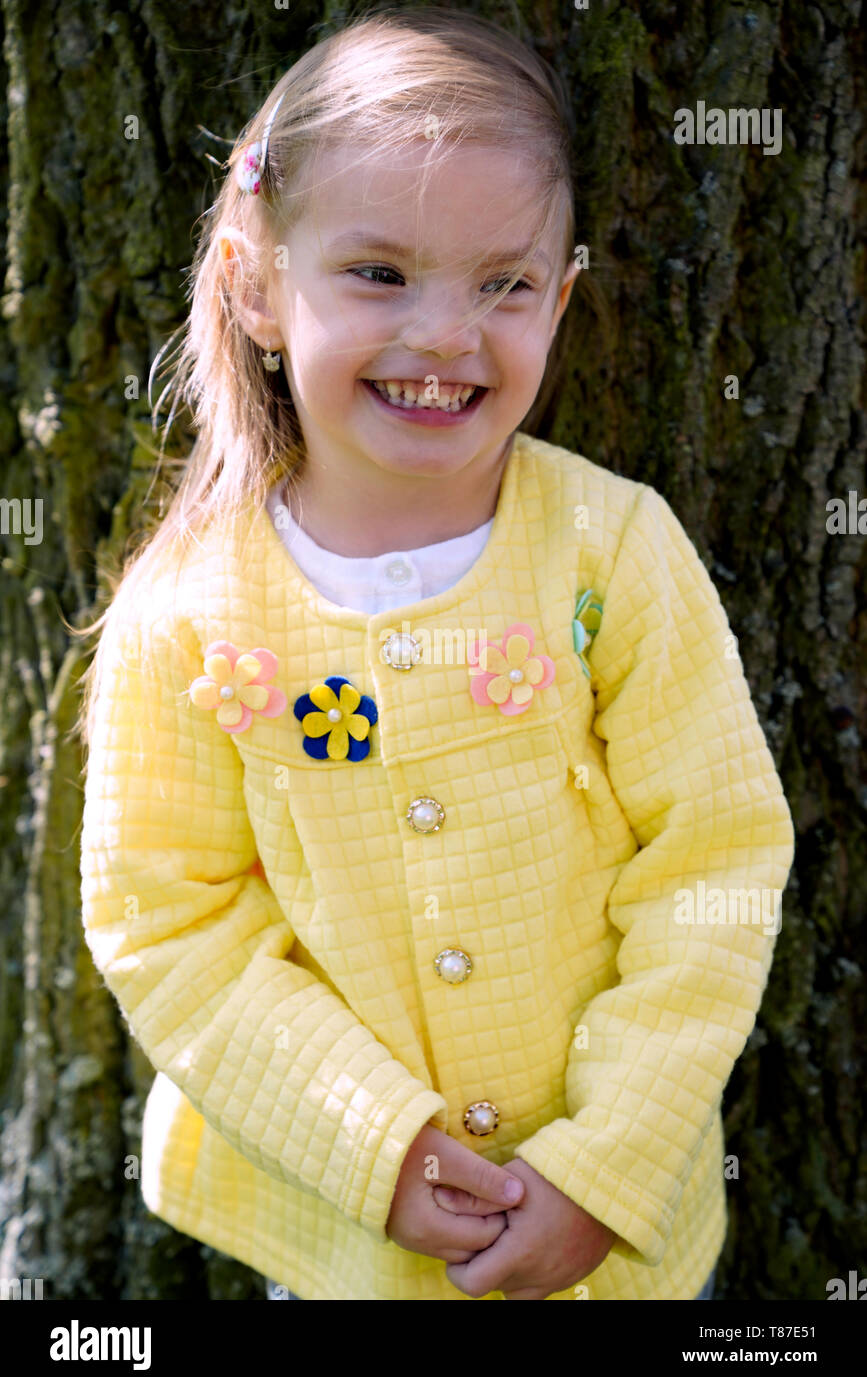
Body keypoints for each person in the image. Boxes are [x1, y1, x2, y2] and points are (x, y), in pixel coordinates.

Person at [75, 6, 794, 1301]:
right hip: (353, 1247)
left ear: (561, 298)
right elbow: (168, 922)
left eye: (505, 283)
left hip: (612, 1250)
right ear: (253, 285)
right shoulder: (184, 612)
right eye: (380, 274)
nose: (448, 333)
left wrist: (606, 1165)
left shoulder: (609, 551)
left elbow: (716, 864)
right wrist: (373, 1143)